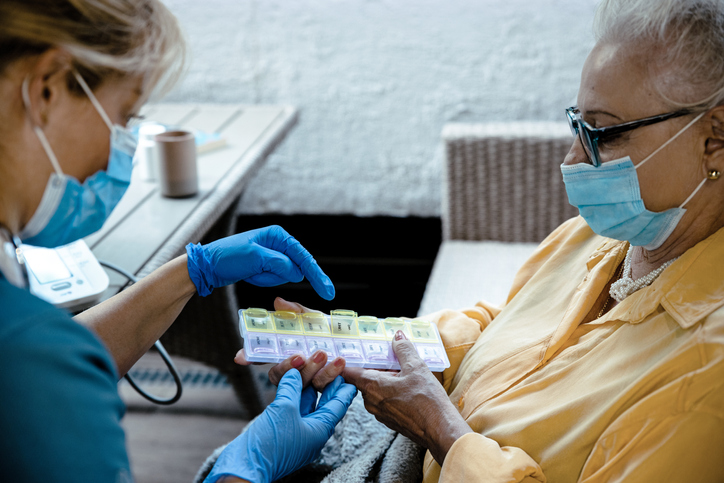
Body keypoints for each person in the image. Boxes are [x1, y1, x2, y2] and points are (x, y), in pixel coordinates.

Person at [238, 0, 724, 481]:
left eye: (604, 133)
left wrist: (442, 432)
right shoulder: (599, 237)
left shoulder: (705, 378)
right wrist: (371, 346)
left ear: (715, 138)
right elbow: (507, 326)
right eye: (578, 125)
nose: (573, 160)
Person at [0, 1, 356, 481]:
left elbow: (41, 378)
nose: (124, 146)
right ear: (46, 90)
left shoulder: (31, 349)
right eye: (125, 116)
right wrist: (241, 471)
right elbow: (39, 370)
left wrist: (191, 272)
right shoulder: (29, 351)